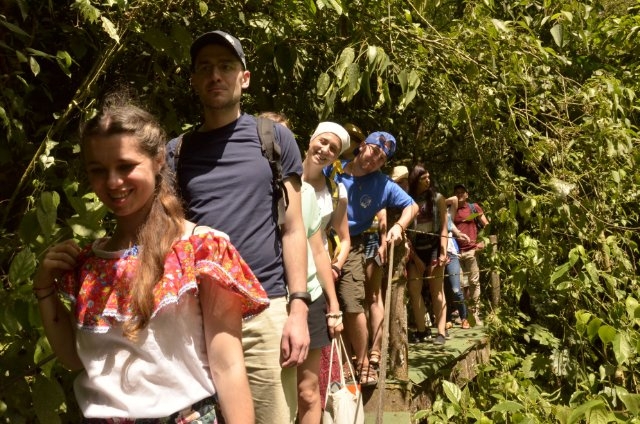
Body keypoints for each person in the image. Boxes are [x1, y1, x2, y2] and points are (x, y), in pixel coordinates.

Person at [33, 102, 269, 422]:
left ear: (158, 160)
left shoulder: (200, 250)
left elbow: (227, 365)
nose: (113, 181)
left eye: (125, 166)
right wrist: (44, 288)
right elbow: (75, 359)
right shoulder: (88, 265)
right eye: (98, 170)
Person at [167, 31, 309, 423]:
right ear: (194, 80)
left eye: (226, 66)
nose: (215, 75)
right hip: (199, 318)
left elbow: (294, 228)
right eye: (205, 68)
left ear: (244, 78)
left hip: (266, 310)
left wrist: (298, 309)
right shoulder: (176, 153)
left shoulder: (274, 138)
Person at [327, 131, 418, 385]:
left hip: (353, 243)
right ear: (363, 145)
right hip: (321, 239)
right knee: (325, 303)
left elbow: (412, 206)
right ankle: (341, 363)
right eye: (374, 152)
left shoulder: (382, 184)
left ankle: (364, 363)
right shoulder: (334, 169)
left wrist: (398, 226)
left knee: (352, 301)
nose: (374, 160)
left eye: (381, 159)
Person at [298, 181, 344, 424]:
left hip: (311, 294)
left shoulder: (306, 193)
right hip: (272, 298)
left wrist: (333, 306)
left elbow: (319, 251)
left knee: (308, 390)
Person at [406, 164, 449, 346]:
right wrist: (415, 258)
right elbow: (405, 232)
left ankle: (441, 332)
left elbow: (444, 228)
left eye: (429, 177)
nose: (428, 181)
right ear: (415, 180)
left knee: (436, 289)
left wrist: (443, 253)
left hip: (434, 247)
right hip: (415, 249)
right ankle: (422, 330)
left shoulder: (438, 198)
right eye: (424, 178)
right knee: (414, 289)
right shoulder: (407, 199)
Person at [452, 183, 490, 324]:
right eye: (457, 192)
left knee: (474, 282)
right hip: (456, 252)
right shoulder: (452, 210)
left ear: (467, 194)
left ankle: (475, 314)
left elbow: (486, 224)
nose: (460, 194)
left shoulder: (473, 208)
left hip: (471, 250)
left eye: (462, 192)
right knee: (460, 285)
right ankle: (463, 315)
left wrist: (483, 242)